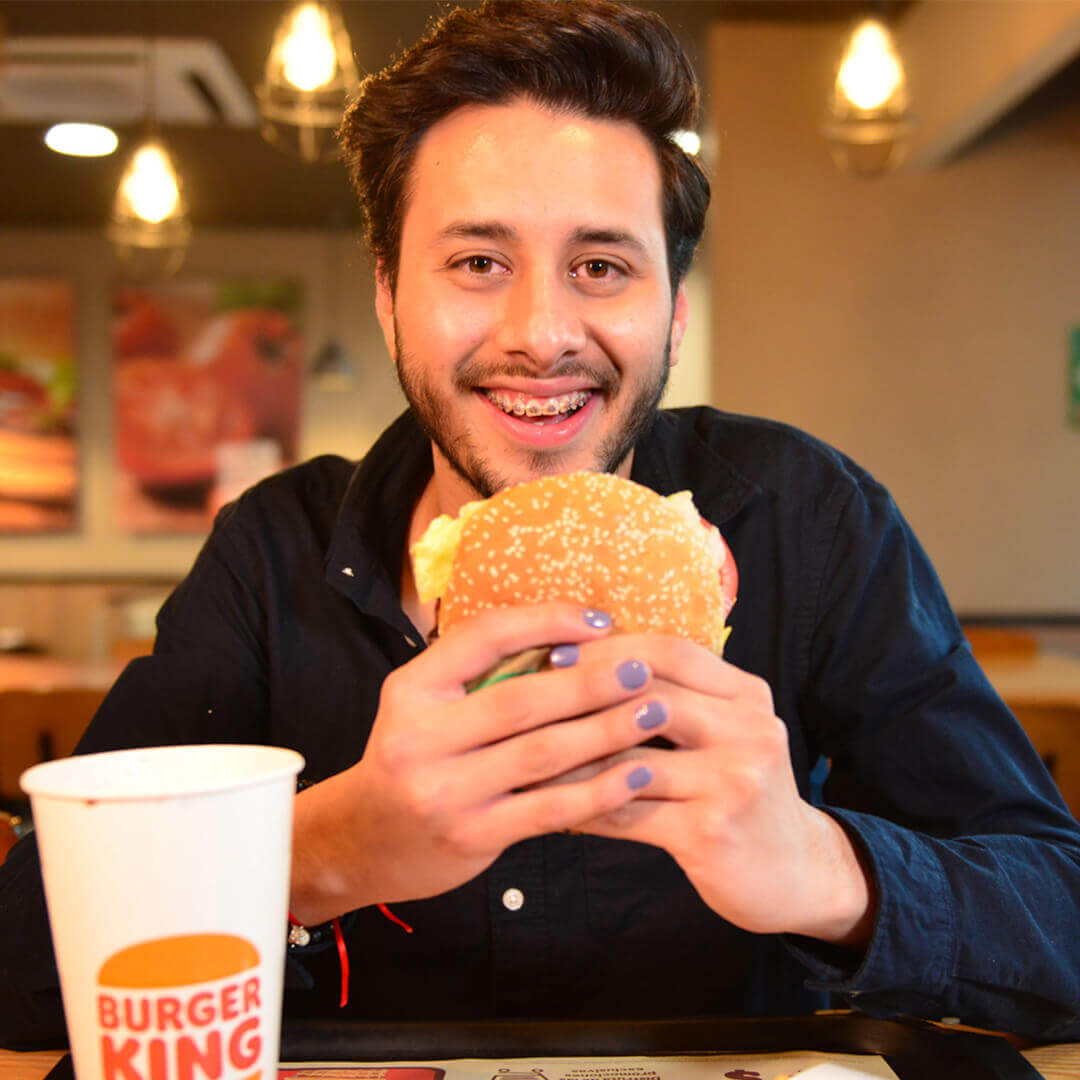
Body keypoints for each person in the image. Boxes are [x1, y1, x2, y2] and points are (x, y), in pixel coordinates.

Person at [3, 0, 1080, 1050]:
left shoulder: (805, 515)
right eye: (478, 263)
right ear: (386, 293)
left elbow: (1060, 919)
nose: (543, 333)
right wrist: (325, 851)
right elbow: (19, 956)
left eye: (602, 267)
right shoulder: (273, 552)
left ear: (673, 306)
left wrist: (821, 867)